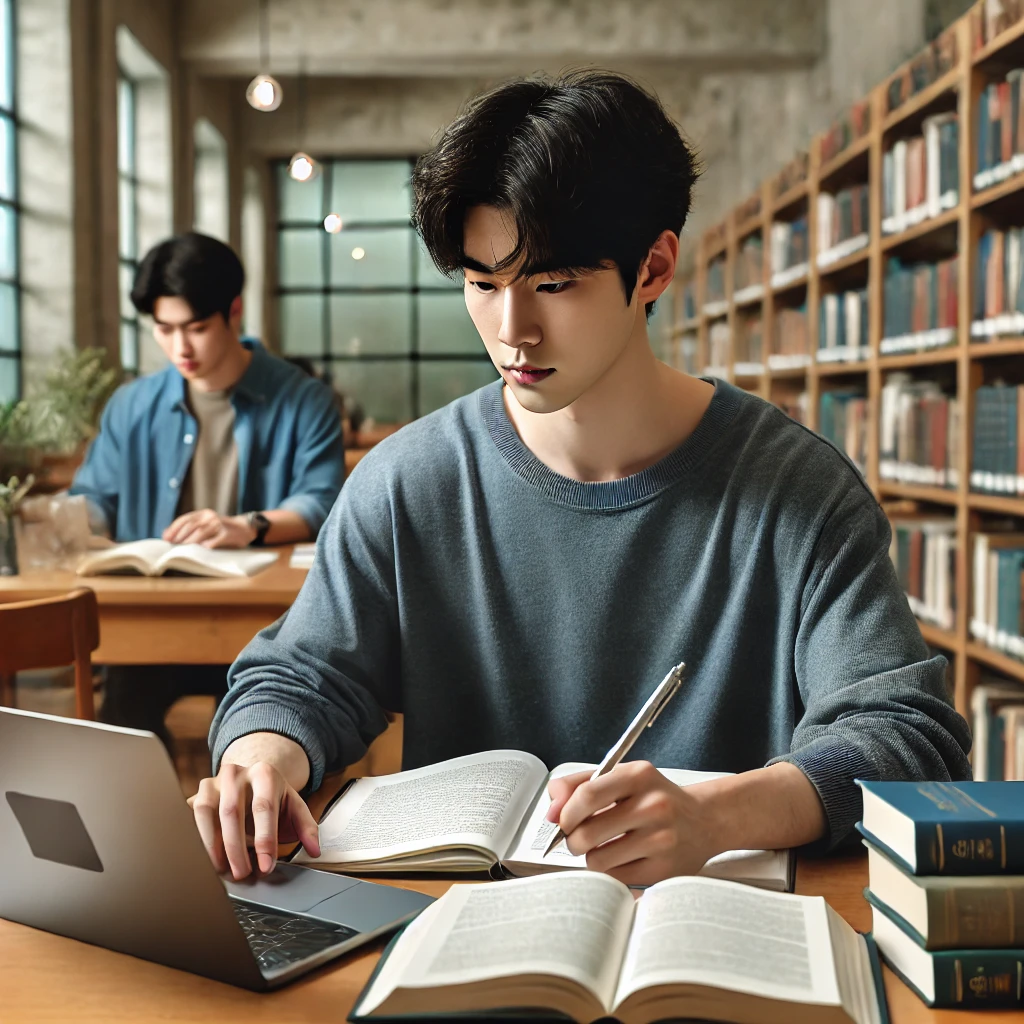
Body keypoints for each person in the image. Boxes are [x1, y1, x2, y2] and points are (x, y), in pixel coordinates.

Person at [192, 71, 971, 885]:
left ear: (655, 268)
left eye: (553, 285)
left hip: (716, 933)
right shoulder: (405, 483)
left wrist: (719, 815)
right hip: (463, 936)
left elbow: (906, 736)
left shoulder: (798, 491)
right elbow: (302, 675)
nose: (512, 330)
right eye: (482, 284)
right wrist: (263, 754)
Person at [69, 232, 345, 744]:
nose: (180, 348)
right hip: (152, 616)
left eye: (195, 328)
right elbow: (93, 500)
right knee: (119, 733)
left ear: (234, 311)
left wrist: (247, 526)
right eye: (164, 329)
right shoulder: (132, 406)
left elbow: (324, 501)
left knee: (258, 735)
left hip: (264, 624)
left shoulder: (303, 399)